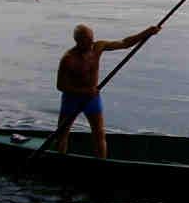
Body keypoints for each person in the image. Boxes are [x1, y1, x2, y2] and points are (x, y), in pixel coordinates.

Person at [56, 23, 159, 157]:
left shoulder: (98, 47)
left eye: (92, 38)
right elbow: (61, 86)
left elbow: (124, 43)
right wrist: (84, 91)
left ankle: (102, 164)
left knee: (99, 133)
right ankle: (59, 160)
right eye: (87, 39)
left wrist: (146, 33)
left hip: (92, 99)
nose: (91, 41)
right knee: (62, 134)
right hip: (72, 98)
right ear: (78, 41)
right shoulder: (68, 59)